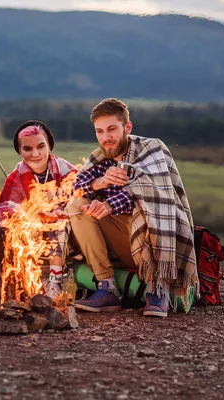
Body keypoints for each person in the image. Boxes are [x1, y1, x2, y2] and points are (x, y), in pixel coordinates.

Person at [67, 98, 198, 317]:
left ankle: (157, 289)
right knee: (78, 205)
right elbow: (74, 188)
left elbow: (153, 190)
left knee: (149, 210)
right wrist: (102, 182)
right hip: (123, 245)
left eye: (111, 129)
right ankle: (107, 287)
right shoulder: (100, 158)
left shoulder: (152, 148)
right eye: (99, 131)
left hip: (153, 240)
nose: (106, 137)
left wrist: (109, 205)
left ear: (127, 127)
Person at [0, 121, 78, 300]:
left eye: (40, 147)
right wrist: (30, 215)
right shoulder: (16, 176)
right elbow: (6, 207)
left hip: (68, 233)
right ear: (20, 151)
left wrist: (56, 212)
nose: (35, 154)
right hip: (32, 228)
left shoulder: (67, 172)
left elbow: (78, 203)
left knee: (56, 223)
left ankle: (54, 281)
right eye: (28, 149)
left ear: (49, 146)